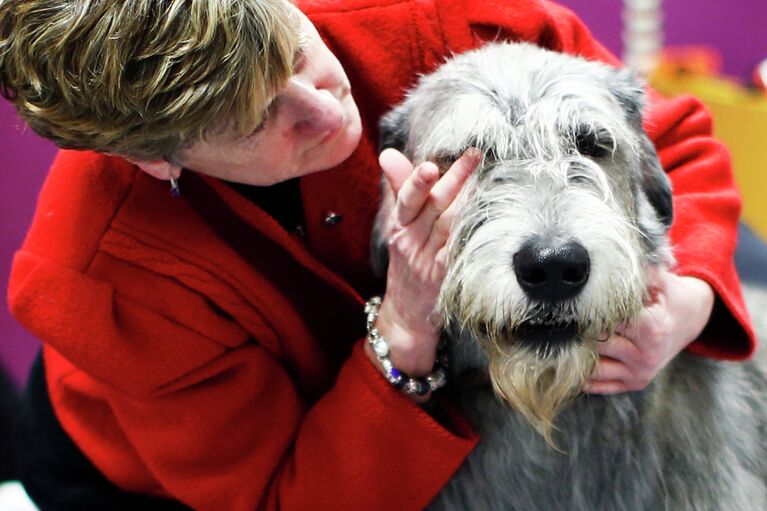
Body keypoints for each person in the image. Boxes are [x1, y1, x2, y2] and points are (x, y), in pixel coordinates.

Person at [0, 0, 754, 509]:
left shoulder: (436, 13)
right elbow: (286, 498)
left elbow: (673, 140)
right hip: (172, 473)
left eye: (298, 55)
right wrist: (404, 330)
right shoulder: (104, 273)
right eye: (258, 117)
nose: (330, 112)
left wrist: (684, 296)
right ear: (160, 161)